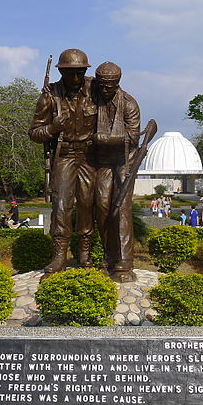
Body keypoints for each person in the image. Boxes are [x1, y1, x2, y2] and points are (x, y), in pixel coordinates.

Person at [29, 48, 97, 272]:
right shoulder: (50, 96)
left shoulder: (95, 90)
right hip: (64, 156)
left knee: (88, 205)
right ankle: (59, 257)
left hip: (89, 157)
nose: (76, 78)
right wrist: (53, 127)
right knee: (61, 206)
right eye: (71, 73)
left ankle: (84, 255)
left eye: (80, 72)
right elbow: (34, 133)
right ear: (62, 72)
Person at [89, 61, 141, 280]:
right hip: (102, 163)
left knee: (120, 208)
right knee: (101, 207)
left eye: (109, 86)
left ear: (117, 83)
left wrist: (105, 139)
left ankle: (124, 262)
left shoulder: (129, 104)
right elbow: (73, 82)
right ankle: (109, 255)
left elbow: (133, 137)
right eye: (101, 85)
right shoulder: (93, 94)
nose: (105, 90)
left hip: (124, 162)